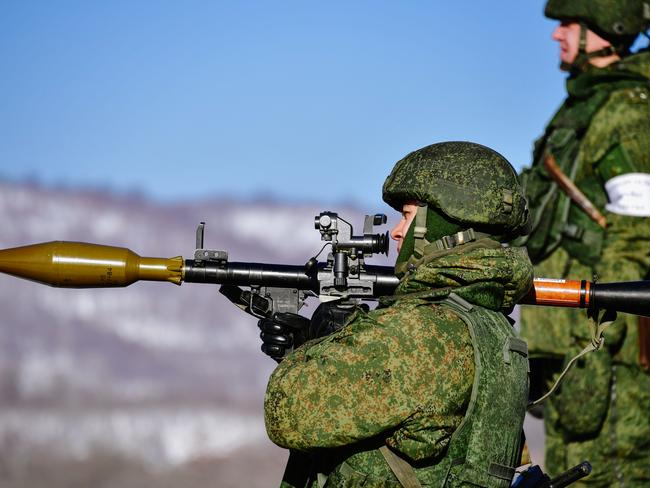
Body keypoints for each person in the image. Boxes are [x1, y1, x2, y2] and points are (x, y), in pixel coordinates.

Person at [259, 141, 534, 487]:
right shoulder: (490, 327)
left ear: (443, 224)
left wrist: (316, 348)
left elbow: (286, 412)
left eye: (407, 216)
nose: (396, 232)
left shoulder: (422, 332)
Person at [515, 1, 650, 486]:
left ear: (605, 31)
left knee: (612, 473)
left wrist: (595, 338)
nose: (557, 35)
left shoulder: (627, 112)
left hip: (608, 349)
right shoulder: (586, 105)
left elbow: (638, 236)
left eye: (568, 23)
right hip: (575, 348)